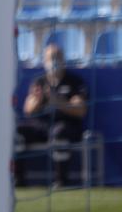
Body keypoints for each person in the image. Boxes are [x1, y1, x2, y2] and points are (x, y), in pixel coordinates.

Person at [19, 43, 88, 188]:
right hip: (41, 127)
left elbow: (80, 110)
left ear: (63, 60)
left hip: (66, 125)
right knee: (17, 132)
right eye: (50, 58)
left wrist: (57, 101)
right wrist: (38, 101)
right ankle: (19, 182)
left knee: (59, 133)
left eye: (57, 57)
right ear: (44, 61)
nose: (54, 61)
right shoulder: (39, 82)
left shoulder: (74, 82)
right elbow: (28, 109)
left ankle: (61, 181)